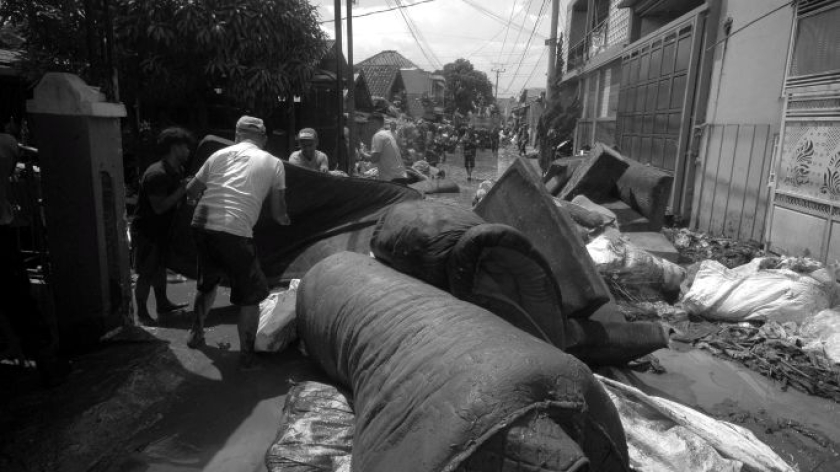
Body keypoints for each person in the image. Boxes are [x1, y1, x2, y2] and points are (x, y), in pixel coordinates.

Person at [185, 116, 290, 369]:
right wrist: (288, 220)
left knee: (207, 282)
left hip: (202, 224)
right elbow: (278, 214)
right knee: (251, 297)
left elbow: (191, 191)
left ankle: (195, 333)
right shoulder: (273, 163)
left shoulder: (218, 155)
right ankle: (246, 356)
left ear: (236, 135)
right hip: (234, 230)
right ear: (263, 139)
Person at [1, 131, 69, 386]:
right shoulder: (6, 144)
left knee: (19, 302)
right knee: (20, 302)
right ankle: (48, 362)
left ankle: (43, 359)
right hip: (3, 235)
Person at [132, 127, 194, 326]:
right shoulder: (156, 174)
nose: (188, 151)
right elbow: (159, 207)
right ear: (174, 148)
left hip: (164, 230)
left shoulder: (177, 170)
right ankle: (142, 313)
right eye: (185, 147)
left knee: (160, 268)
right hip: (147, 231)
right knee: (146, 272)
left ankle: (162, 303)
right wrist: (184, 189)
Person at [361, 113, 408, 183]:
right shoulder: (388, 134)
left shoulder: (378, 136)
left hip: (392, 178)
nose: (368, 127)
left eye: (369, 124)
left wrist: (362, 153)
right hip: (400, 175)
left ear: (374, 123)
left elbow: (374, 159)